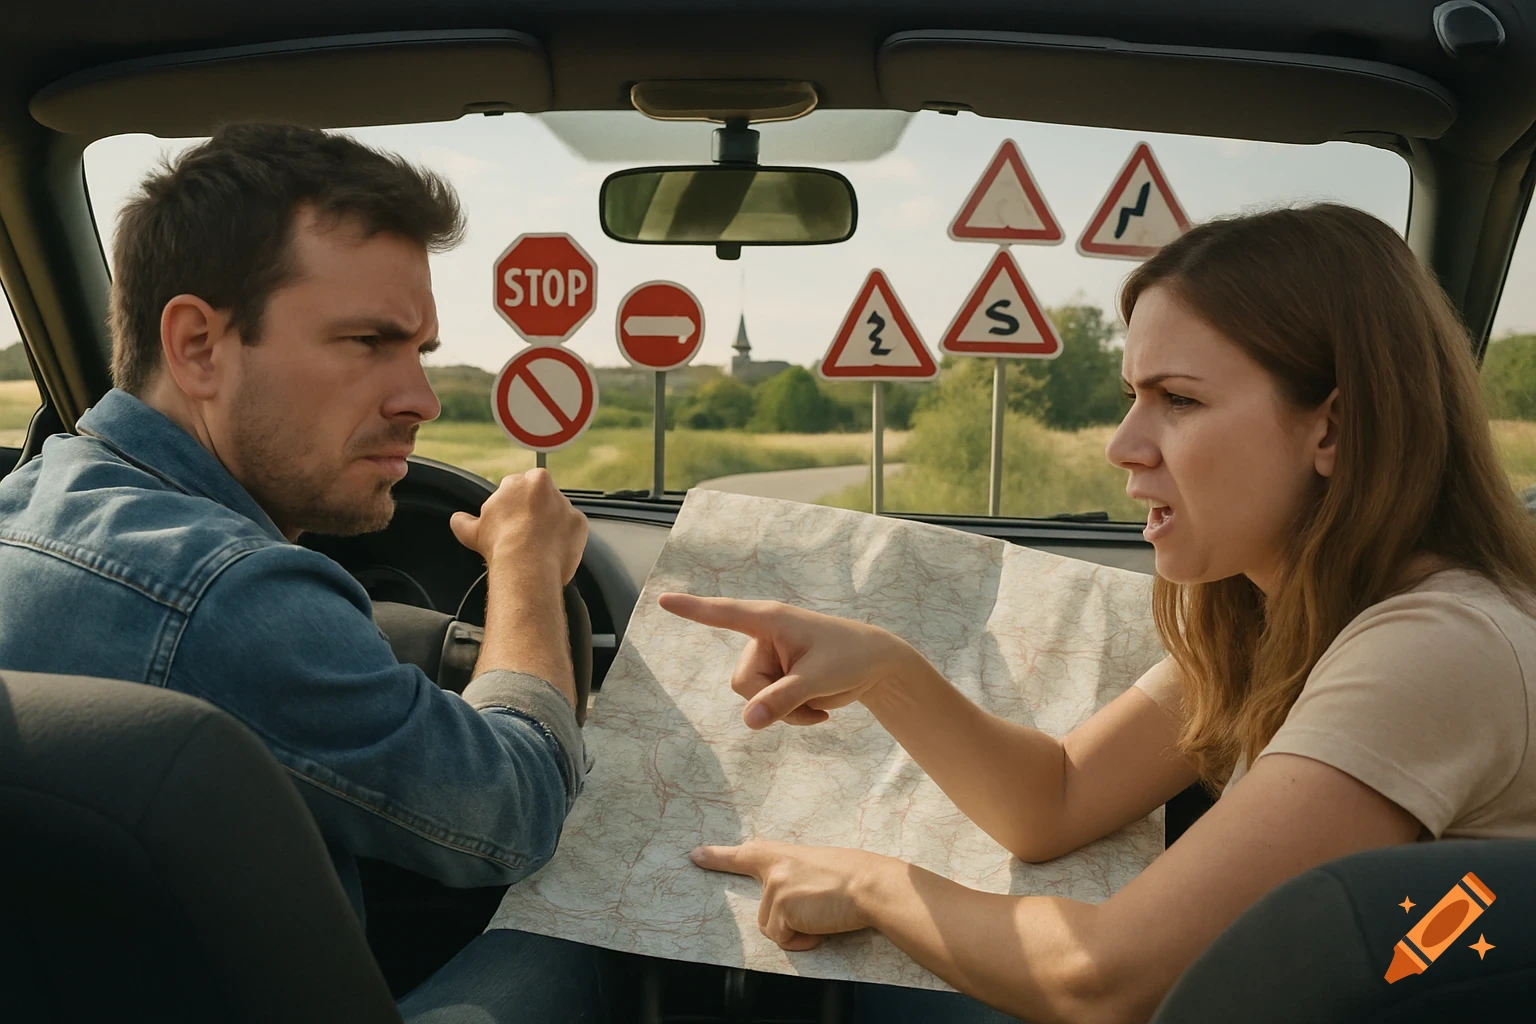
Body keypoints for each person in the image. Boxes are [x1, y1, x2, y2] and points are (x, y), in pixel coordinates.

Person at [661, 203, 1536, 1023]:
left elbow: (1103, 977)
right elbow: (1058, 800)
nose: (1123, 445)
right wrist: (886, 668)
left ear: (1332, 430)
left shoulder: (1435, 647)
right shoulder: (1274, 615)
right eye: (1131, 396)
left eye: (1179, 399)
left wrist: (872, 886)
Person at [0, 123, 604, 1021]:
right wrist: (524, 567)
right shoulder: (229, 593)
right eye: (368, 342)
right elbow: (514, 814)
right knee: (602, 928)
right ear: (199, 345)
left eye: (421, 351)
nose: (421, 401)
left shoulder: (25, 503)